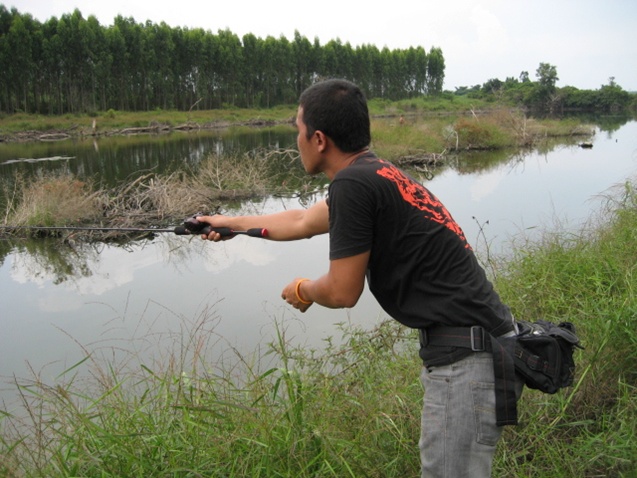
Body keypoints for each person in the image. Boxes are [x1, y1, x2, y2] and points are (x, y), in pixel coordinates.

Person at [196, 78, 521, 477]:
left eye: (297, 130)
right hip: (477, 350)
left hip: (468, 359)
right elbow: (300, 221)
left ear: (318, 139)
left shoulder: (353, 184)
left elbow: (343, 291)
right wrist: (228, 223)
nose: (295, 139)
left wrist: (304, 290)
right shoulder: (376, 173)